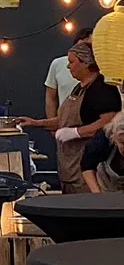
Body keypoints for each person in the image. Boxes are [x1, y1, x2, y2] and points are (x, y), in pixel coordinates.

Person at [17, 41, 121, 193]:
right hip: (69, 170)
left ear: (86, 63)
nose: (68, 66)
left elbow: (109, 122)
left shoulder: (101, 88)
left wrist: (75, 132)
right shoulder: (79, 87)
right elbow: (65, 120)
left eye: (71, 62)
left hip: (87, 172)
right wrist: (35, 123)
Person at [45, 28, 93, 119]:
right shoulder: (58, 64)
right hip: (65, 121)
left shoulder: (102, 68)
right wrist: (52, 122)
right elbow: (50, 96)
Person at [81, 111, 124, 193]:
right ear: (114, 138)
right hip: (107, 188)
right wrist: (98, 195)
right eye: (123, 143)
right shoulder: (101, 140)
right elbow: (87, 167)